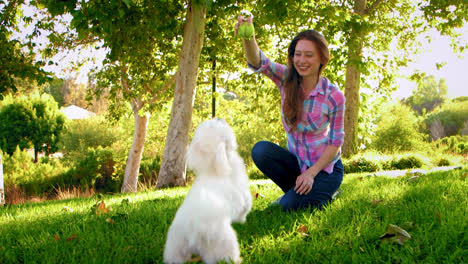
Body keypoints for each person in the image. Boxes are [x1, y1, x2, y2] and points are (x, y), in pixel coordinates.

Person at [235, 15, 346, 212]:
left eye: (309, 55)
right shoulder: (286, 79)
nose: (302, 60)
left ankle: (320, 193)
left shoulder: (333, 96)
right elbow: (259, 61)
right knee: (261, 150)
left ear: (322, 58)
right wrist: (248, 36)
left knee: (285, 207)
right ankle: (299, 194)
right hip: (297, 165)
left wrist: (311, 174)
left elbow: (335, 144)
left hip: (325, 169)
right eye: (298, 54)